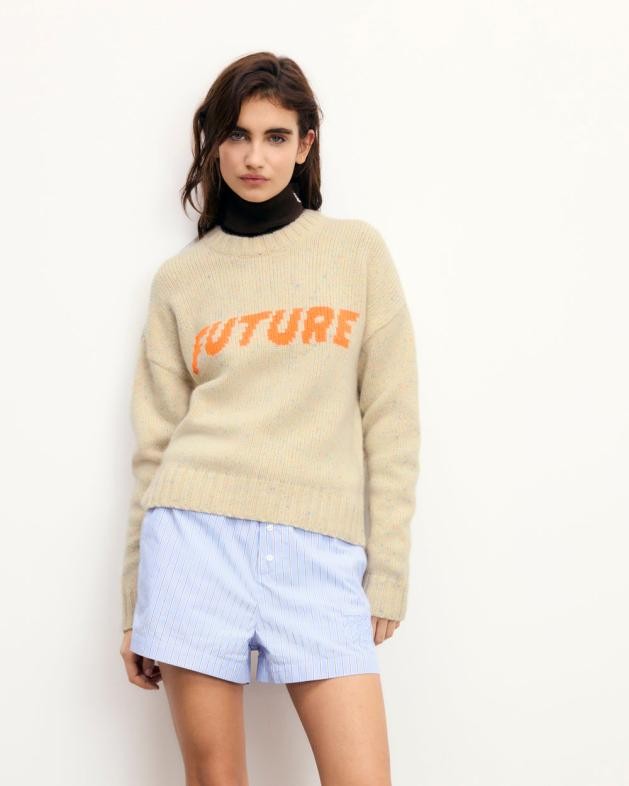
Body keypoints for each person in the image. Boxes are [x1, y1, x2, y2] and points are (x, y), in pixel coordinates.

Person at [119, 51, 420, 785]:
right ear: (214, 144)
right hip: (193, 543)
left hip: (319, 554)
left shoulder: (355, 253)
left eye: (276, 136)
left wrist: (387, 569)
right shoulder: (181, 280)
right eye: (238, 135)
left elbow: (392, 419)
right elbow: (154, 449)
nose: (255, 157)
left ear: (305, 145)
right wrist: (135, 604)